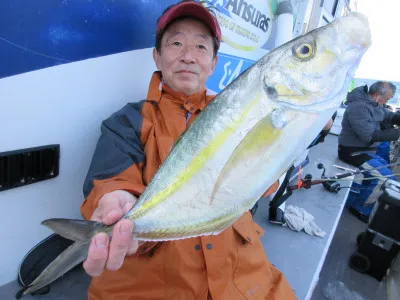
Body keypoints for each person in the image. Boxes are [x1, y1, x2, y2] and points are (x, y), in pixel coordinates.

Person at [80, 1, 296, 299]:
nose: (188, 57)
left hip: (246, 279)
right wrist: (113, 201)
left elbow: (260, 181)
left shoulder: (239, 115)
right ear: (157, 56)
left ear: (214, 63)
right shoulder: (127, 121)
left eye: (201, 47)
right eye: (176, 43)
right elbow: (110, 181)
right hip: (148, 285)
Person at [338, 81, 400, 221]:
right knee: (383, 179)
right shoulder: (359, 107)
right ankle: (360, 209)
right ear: (377, 95)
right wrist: (397, 133)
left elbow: (389, 116)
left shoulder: (375, 104)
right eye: (387, 98)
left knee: (390, 177)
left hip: (368, 151)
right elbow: (369, 135)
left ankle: (358, 199)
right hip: (353, 152)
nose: (387, 101)